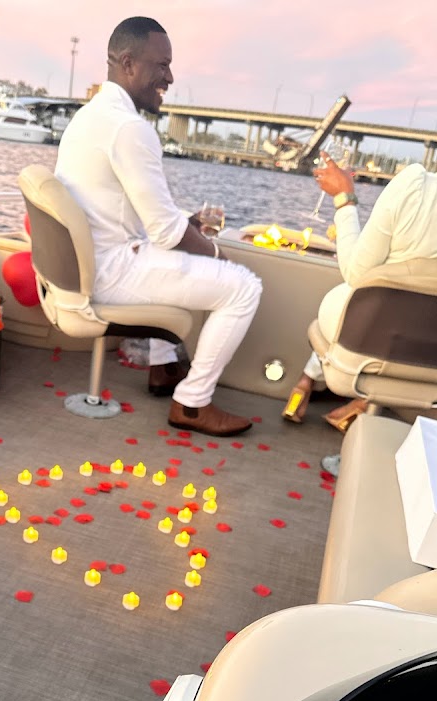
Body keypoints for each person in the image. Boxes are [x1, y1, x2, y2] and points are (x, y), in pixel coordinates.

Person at [55, 17, 263, 437]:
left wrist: (185, 225)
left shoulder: (89, 116)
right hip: (110, 272)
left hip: (87, 263)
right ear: (128, 64)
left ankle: (163, 367)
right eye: (162, 65)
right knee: (243, 286)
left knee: (172, 250)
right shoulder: (130, 128)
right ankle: (192, 403)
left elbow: (132, 212)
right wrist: (218, 253)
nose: (169, 77)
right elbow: (167, 234)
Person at [283, 74, 437, 436]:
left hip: (369, 351)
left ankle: (308, 384)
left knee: (351, 298)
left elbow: (356, 273)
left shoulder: (416, 186)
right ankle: (358, 407)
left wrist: (344, 198)